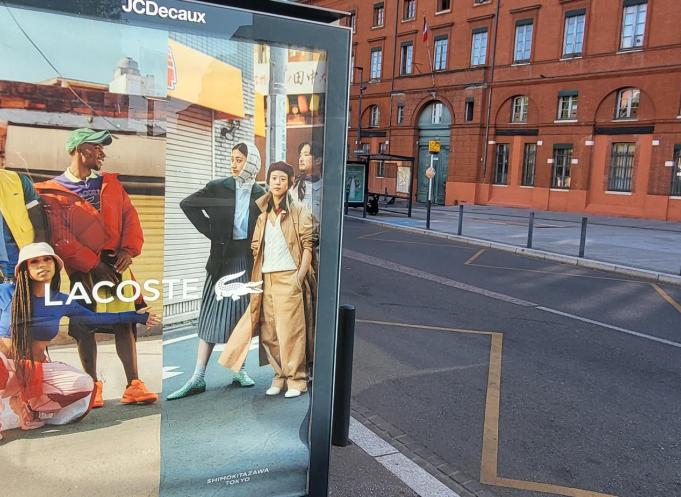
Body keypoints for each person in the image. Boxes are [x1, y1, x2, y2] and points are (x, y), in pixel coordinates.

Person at [35, 128, 156, 408]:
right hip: (83, 269)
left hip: (116, 264)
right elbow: (59, 235)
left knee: (125, 321)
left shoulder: (111, 184)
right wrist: (92, 263)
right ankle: (92, 386)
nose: (103, 153)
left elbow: (130, 217)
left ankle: (134, 385)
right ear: (81, 149)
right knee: (85, 325)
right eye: (97, 147)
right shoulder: (52, 191)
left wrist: (128, 250)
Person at [0, 243, 159, 436]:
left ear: (56, 265)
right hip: (5, 368)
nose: (42, 265)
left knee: (84, 385)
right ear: (24, 269)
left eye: (47, 259)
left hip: (35, 370)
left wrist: (137, 316)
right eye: (34, 262)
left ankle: (32, 408)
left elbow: (95, 318)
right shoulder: (6, 292)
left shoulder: (60, 300)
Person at [166, 142, 266, 400]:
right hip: (221, 259)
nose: (234, 164)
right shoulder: (218, 187)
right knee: (211, 316)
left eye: (240, 159)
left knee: (243, 317)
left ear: (252, 162)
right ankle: (197, 377)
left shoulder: (260, 192)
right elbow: (187, 204)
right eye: (232, 159)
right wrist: (212, 231)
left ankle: (239, 370)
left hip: (246, 258)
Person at [219, 161, 317, 399]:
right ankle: (280, 376)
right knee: (269, 332)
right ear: (268, 181)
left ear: (290, 182)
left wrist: (299, 276)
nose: (277, 182)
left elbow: (308, 245)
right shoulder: (263, 215)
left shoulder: (300, 210)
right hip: (265, 279)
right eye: (274, 178)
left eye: (283, 178)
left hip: (289, 277)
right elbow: (255, 246)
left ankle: (297, 378)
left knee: (291, 331)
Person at [0, 132, 48, 282]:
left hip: (20, 267)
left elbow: (39, 224)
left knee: (24, 305)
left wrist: (36, 256)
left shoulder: (18, 180)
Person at [292, 141, 323, 224]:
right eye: (300, 155)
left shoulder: (324, 190)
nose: (301, 159)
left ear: (318, 160)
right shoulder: (293, 185)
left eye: (306, 155)